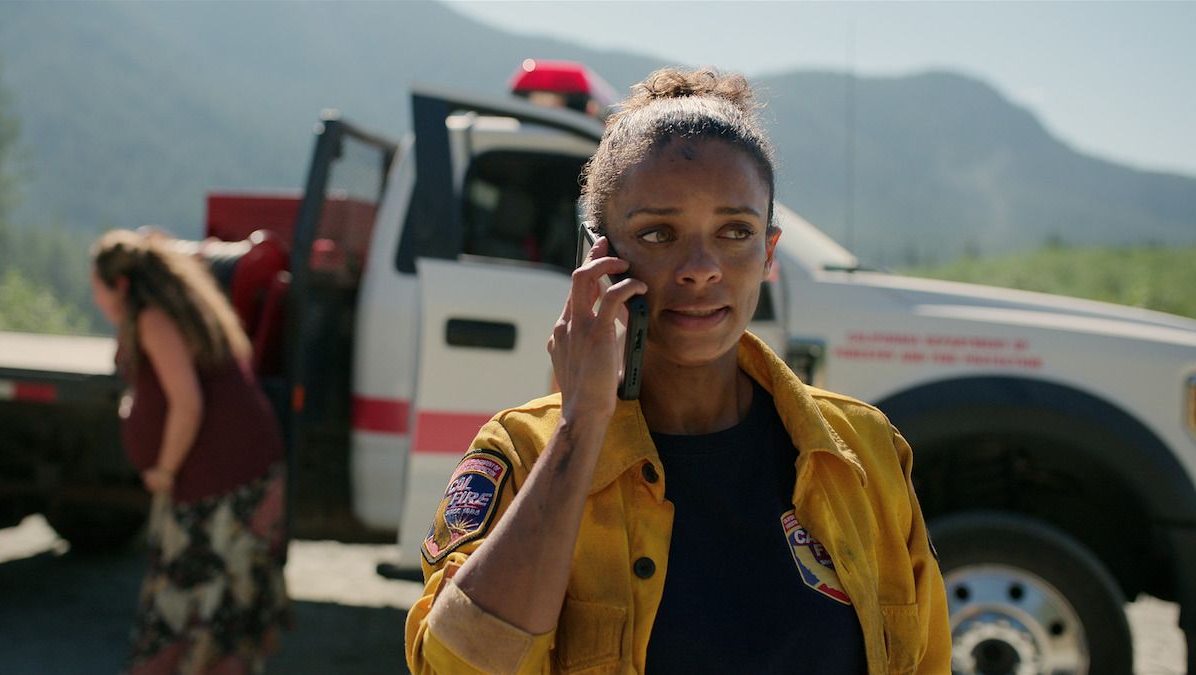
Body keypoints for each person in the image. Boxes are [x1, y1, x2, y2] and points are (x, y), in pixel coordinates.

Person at [405, 68, 950, 674]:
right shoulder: (524, 453)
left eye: (735, 231)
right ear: (598, 255)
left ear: (767, 254)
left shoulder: (864, 452)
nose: (700, 267)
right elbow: (456, 666)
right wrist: (582, 424)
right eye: (659, 233)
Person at [90, 229, 290, 675]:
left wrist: (163, 469)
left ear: (119, 285)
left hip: (224, 487)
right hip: (237, 477)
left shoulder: (153, 318)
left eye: (96, 287)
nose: (94, 299)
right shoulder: (173, 311)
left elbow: (187, 402)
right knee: (223, 615)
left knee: (196, 613)